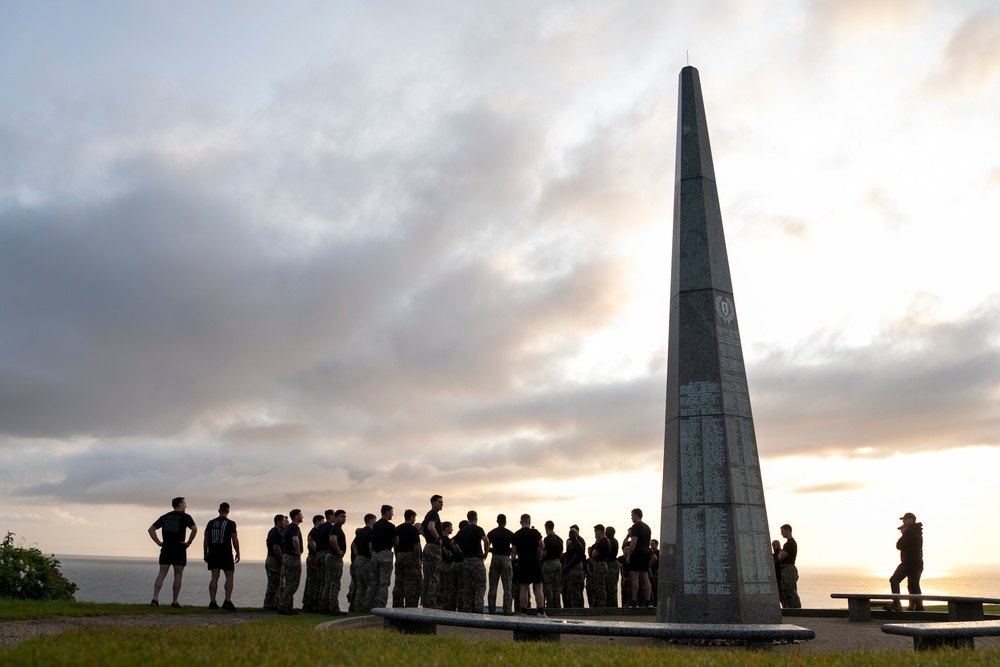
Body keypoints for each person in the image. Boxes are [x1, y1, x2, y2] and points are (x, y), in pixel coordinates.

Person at [148, 496, 198, 608]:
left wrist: (158, 542)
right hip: (179, 548)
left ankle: (155, 598)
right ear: (180, 505)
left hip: (166, 548)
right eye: (184, 504)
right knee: (178, 575)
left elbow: (151, 529)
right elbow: (194, 529)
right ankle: (174, 602)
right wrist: (189, 542)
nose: (186, 506)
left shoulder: (165, 516)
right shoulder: (186, 517)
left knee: (161, 573)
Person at [203, 502, 240, 610]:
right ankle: (227, 601)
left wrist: (205, 553)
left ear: (219, 510)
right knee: (229, 576)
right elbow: (235, 539)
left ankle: (212, 602)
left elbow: (206, 539)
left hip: (213, 552)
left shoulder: (211, 523)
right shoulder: (231, 523)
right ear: (228, 511)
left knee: (214, 576)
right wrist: (238, 552)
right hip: (226, 553)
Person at [888, 512, 924, 612]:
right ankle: (917, 607)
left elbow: (899, 545)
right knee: (913, 584)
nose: (903, 521)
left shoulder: (910, 531)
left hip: (909, 562)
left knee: (894, 580)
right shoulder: (917, 531)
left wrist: (904, 533)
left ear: (912, 520)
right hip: (918, 563)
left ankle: (896, 603)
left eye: (905, 519)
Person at [454, 511, 489, 612]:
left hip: (466, 560)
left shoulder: (462, 530)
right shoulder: (478, 529)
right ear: (476, 518)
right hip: (477, 560)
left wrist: (460, 553)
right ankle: (478, 608)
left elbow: (452, 543)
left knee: (467, 586)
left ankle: (466, 608)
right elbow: (486, 540)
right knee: (480, 585)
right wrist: (485, 553)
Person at [512, 514, 545, 617]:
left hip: (523, 562)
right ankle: (540, 611)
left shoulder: (516, 535)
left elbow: (514, 552)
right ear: (530, 522)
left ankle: (523, 612)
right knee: (538, 587)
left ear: (520, 522)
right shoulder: (535, 533)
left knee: (524, 588)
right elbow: (542, 546)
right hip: (534, 561)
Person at [368, 505, 397, 609]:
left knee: (373, 582)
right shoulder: (391, 526)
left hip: (375, 554)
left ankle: (367, 605)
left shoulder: (375, 525)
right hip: (385, 554)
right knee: (384, 583)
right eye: (391, 512)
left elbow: (371, 542)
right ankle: (381, 606)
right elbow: (396, 541)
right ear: (387, 512)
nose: (392, 514)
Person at [393, 509, 422, 607]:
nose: (415, 519)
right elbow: (416, 546)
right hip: (410, 556)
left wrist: (397, 556)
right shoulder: (413, 530)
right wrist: (418, 559)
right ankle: (410, 605)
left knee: (399, 581)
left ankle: (397, 603)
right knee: (410, 581)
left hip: (400, 555)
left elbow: (395, 544)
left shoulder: (397, 528)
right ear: (411, 517)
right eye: (414, 517)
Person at [277, 509, 304, 615]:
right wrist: (298, 552)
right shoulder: (295, 527)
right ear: (296, 516)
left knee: (289, 583)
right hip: (292, 557)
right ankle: (283, 605)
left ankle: (288, 606)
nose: (302, 517)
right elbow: (295, 539)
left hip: (286, 556)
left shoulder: (288, 527)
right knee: (293, 584)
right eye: (301, 515)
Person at [487, 514, 515, 614]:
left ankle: (491, 609)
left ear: (497, 521)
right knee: (507, 586)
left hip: (495, 558)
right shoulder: (510, 534)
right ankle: (507, 610)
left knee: (493, 585)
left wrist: (491, 550)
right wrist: (511, 552)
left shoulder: (491, 533)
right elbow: (514, 548)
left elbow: (487, 546)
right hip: (506, 558)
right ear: (505, 522)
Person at [421, 495, 445, 609]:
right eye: (439, 502)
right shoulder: (434, 514)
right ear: (433, 503)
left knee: (427, 575)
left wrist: (426, 537)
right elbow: (431, 527)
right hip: (434, 547)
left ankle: (425, 601)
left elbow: (419, 527)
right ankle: (431, 602)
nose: (442, 504)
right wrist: (438, 538)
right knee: (434, 575)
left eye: (442, 502)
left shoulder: (428, 514)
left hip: (427, 546)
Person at [625, 508, 652, 608]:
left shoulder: (635, 526)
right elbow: (648, 542)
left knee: (635, 576)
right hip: (646, 552)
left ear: (636, 515)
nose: (631, 517)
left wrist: (629, 555)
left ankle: (634, 601)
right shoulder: (647, 527)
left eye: (632, 515)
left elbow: (634, 541)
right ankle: (648, 601)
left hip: (638, 553)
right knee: (645, 577)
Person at [326, 509, 348, 615]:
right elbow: (332, 539)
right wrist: (339, 551)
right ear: (335, 517)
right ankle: (334, 609)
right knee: (335, 584)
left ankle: (325, 607)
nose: (344, 518)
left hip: (332, 557)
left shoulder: (337, 528)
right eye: (341, 516)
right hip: (334, 557)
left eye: (345, 516)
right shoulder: (336, 527)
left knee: (330, 583)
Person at [263, 514, 287, 610]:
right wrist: (282, 559)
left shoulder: (273, 532)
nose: (285, 523)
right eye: (283, 521)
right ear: (278, 522)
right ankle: (269, 604)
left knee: (275, 583)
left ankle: (273, 603)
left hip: (271, 559)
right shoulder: (276, 533)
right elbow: (276, 547)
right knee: (273, 584)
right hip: (274, 560)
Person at [303, 514, 326, 613]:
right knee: (313, 581)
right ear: (317, 522)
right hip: (313, 557)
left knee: (311, 581)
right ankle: (310, 605)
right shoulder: (315, 531)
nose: (323, 523)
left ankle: (308, 603)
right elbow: (310, 540)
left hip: (312, 557)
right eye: (322, 521)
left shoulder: (314, 531)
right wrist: (316, 551)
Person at [777, 524, 801, 609]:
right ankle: (789, 608)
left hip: (788, 570)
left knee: (790, 591)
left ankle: (796, 610)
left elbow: (781, 556)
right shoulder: (789, 543)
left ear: (787, 530)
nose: (781, 533)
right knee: (785, 592)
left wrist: (779, 553)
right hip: (786, 570)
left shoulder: (790, 544)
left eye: (782, 531)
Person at [541, 521, 563, 609]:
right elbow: (561, 553)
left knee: (548, 585)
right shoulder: (559, 539)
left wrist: (542, 558)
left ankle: (550, 605)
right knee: (556, 585)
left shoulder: (547, 539)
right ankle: (557, 604)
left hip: (549, 563)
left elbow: (544, 554)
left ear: (546, 528)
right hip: (557, 562)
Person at [562, 527, 585, 608]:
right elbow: (567, 556)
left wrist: (567, 566)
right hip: (569, 569)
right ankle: (571, 605)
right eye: (569, 533)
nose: (570, 535)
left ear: (576, 535)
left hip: (575, 568)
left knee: (575, 589)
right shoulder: (570, 545)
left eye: (572, 533)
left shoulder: (578, 545)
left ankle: (577, 606)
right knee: (569, 589)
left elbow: (576, 558)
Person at [589, 524, 610, 608]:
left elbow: (593, 554)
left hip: (600, 565)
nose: (595, 534)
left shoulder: (603, 542)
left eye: (595, 532)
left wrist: (591, 551)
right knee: (600, 585)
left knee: (599, 586)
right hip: (603, 564)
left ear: (600, 531)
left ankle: (601, 604)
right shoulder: (607, 541)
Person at [605, 526, 620, 608]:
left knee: (612, 587)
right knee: (608, 587)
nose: (605, 532)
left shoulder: (612, 542)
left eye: (607, 531)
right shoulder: (612, 541)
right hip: (609, 564)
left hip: (612, 565)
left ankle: (613, 606)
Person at [772, 539, 784, 606]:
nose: (774, 548)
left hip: (781, 578)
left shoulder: (782, 554)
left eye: (775, 546)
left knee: (783, 596)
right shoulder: (773, 556)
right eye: (773, 546)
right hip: (776, 578)